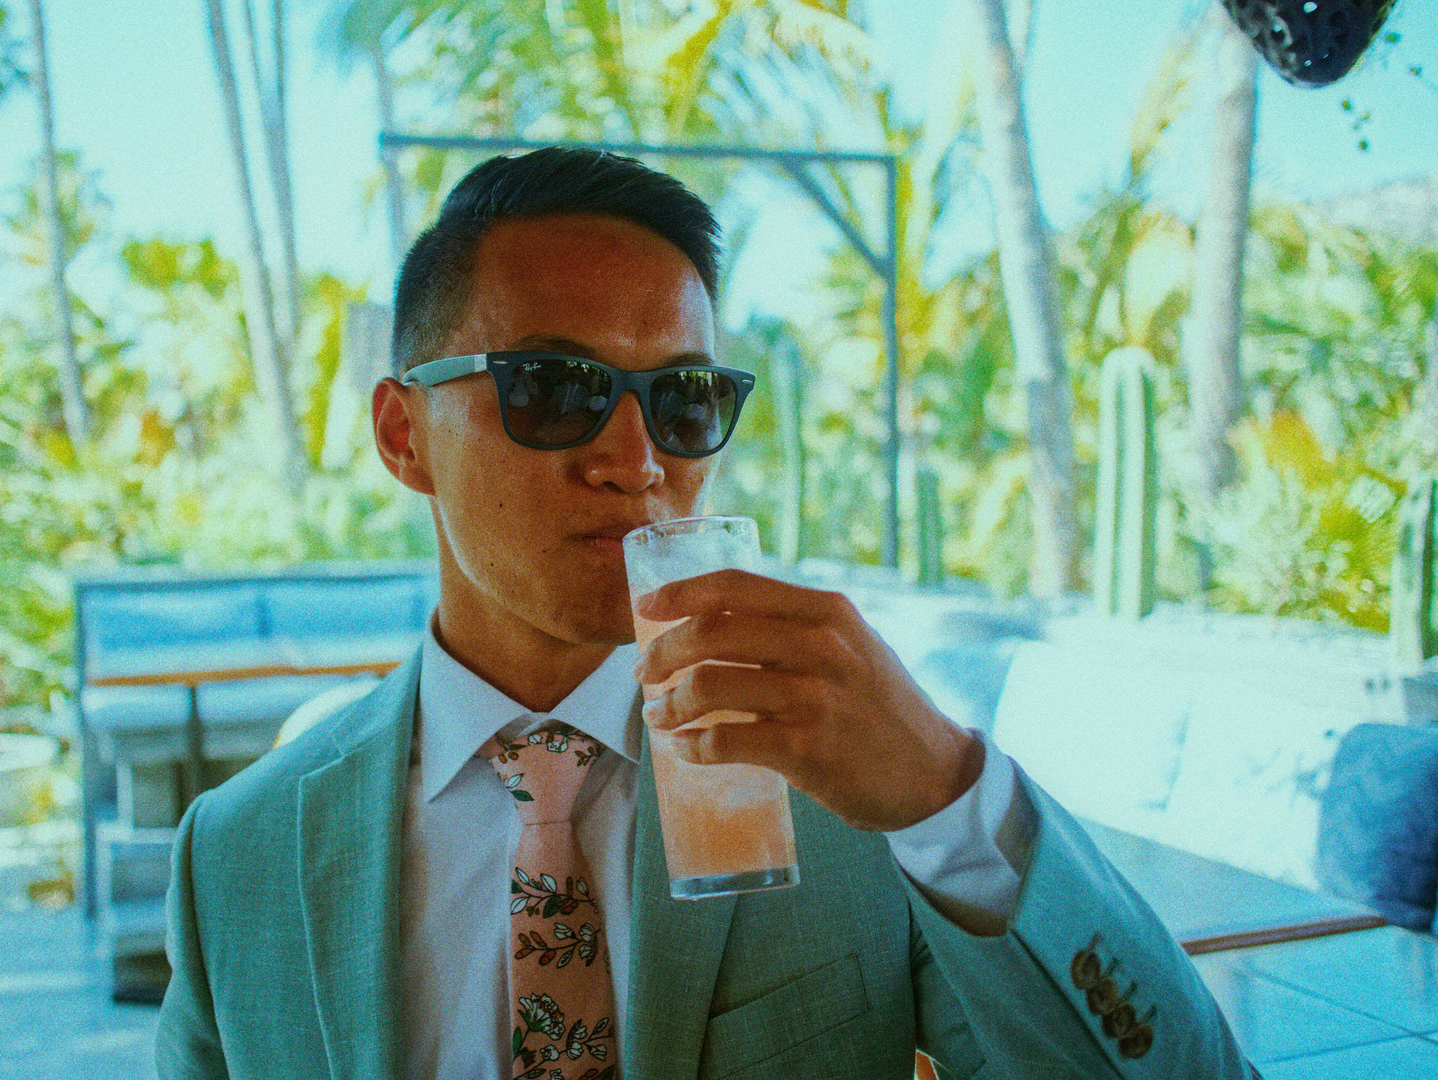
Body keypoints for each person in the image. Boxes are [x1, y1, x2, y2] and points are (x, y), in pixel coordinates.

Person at [156, 147, 1255, 1079]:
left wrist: (947, 796)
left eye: (684, 400)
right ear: (404, 436)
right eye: (555, 388)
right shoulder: (238, 858)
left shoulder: (856, 789)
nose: (636, 461)